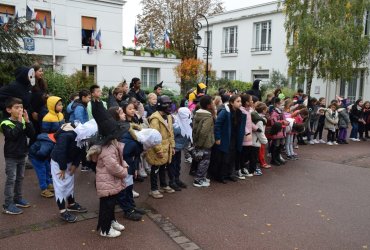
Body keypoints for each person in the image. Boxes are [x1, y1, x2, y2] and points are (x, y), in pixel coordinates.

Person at [87, 101, 129, 238]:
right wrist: (123, 171)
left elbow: (118, 158)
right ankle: (105, 229)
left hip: (110, 181)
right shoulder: (107, 149)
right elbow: (113, 167)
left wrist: (124, 164)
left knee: (110, 204)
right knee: (107, 205)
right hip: (108, 181)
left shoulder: (111, 144)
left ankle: (112, 221)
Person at [1, 97, 35, 214]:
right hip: (11, 155)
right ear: (9, 110)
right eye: (16, 107)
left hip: (22, 154)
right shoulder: (5, 123)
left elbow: (31, 134)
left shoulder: (23, 121)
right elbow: (12, 136)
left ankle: (17, 198)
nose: (20, 109)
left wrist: (28, 121)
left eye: (21, 107)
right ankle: (7, 204)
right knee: (11, 179)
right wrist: (20, 123)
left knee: (20, 178)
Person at [50, 123, 87, 222]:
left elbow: (81, 150)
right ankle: (62, 211)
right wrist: (62, 168)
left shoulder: (82, 136)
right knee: (60, 185)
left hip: (69, 161)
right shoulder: (65, 135)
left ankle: (71, 204)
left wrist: (75, 164)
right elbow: (60, 151)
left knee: (70, 183)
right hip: (59, 163)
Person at [146, 95, 176, 199]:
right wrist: (158, 150)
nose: (170, 106)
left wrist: (172, 146)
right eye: (167, 104)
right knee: (155, 168)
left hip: (166, 147)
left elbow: (171, 132)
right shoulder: (155, 119)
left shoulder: (168, 117)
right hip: (157, 148)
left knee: (164, 167)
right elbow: (154, 136)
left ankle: (163, 185)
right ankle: (153, 189)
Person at [211, 95, 246, 183]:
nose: (240, 103)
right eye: (238, 101)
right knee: (224, 158)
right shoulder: (224, 112)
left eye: (240, 101)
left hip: (234, 138)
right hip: (225, 138)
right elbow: (217, 125)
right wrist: (218, 138)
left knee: (232, 156)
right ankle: (221, 176)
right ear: (231, 102)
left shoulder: (239, 112)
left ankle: (230, 174)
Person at [192, 95, 215, 187]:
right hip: (205, 143)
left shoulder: (198, 114)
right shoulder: (208, 117)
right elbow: (203, 132)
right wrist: (200, 144)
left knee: (202, 160)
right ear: (209, 106)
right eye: (212, 103)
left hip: (199, 142)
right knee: (204, 161)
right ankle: (198, 179)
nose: (213, 104)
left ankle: (201, 177)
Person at [169, 107, 192, 190]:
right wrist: (172, 148)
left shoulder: (185, 124)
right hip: (174, 149)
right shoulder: (177, 127)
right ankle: (172, 181)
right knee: (172, 165)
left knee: (178, 165)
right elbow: (171, 138)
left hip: (179, 149)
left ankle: (177, 179)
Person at [28, 132, 56, 198]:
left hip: (42, 155)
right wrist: (42, 160)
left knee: (47, 168)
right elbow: (42, 153)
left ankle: (48, 183)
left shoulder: (51, 139)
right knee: (42, 170)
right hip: (36, 156)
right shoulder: (49, 144)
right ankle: (44, 189)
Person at [239, 94, 258, 177]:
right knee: (243, 154)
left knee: (246, 154)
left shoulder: (248, 110)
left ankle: (243, 168)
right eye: (250, 100)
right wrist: (247, 132)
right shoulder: (242, 111)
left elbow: (249, 123)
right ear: (246, 102)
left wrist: (256, 128)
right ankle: (240, 169)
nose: (252, 101)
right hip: (245, 136)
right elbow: (242, 124)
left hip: (249, 136)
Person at [269, 97, 288, 166]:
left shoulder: (281, 112)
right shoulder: (274, 113)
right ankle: (273, 159)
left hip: (282, 131)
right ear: (276, 104)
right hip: (277, 132)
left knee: (280, 145)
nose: (282, 106)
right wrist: (283, 122)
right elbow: (274, 123)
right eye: (280, 104)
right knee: (276, 145)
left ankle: (277, 157)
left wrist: (286, 122)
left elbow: (285, 119)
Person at [250, 102, 269, 175]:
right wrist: (265, 141)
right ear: (264, 110)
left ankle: (253, 168)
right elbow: (260, 132)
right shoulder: (260, 120)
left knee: (253, 156)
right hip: (256, 141)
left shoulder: (255, 116)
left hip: (253, 139)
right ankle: (253, 170)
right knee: (254, 157)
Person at [30, 65, 48, 137]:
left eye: (42, 71)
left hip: (42, 111)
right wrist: (32, 112)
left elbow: (43, 94)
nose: (42, 73)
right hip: (34, 112)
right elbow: (28, 99)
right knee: (35, 133)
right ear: (33, 72)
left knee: (41, 131)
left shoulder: (42, 82)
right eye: (40, 71)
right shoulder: (30, 83)